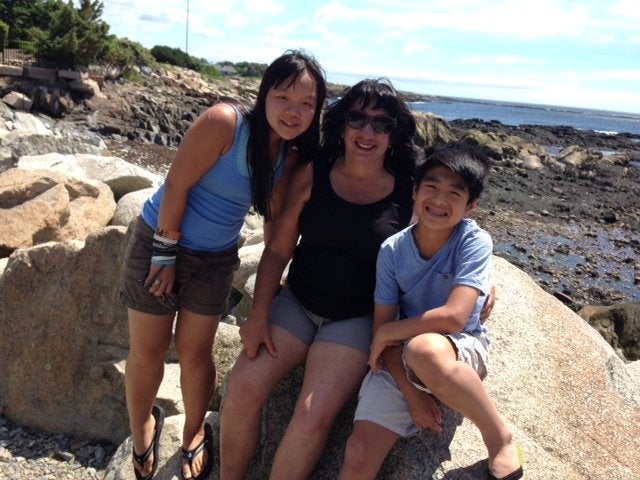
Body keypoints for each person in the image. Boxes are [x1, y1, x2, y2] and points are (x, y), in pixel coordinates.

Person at [118, 49, 326, 480]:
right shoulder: (225, 123)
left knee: (195, 352)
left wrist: (277, 269)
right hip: (160, 240)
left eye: (307, 103)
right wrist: (165, 255)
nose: (295, 111)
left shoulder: (291, 156)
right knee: (149, 349)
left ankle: (193, 432)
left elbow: (272, 216)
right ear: (265, 92)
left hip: (215, 259)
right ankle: (142, 429)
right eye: (285, 97)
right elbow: (176, 183)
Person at [219, 78, 419, 480]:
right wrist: (258, 313)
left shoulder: (409, 190)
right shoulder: (315, 171)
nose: (367, 132)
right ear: (343, 124)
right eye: (358, 118)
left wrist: (484, 281)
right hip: (298, 303)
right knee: (240, 389)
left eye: (381, 124)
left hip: (356, 319)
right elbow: (277, 249)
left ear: (394, 135)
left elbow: (453, 225)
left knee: (311, 415)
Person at [338, 144, 523, 480]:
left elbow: (453, 317)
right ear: (414, 191)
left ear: (471, 206)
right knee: (358, 452)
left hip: (459, 345)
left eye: (455, 193)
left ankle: (500, 439)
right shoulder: (393, 250)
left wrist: (389, 332)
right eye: (432, 187)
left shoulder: (473, 241)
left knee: (423, 349)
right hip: (404, 355)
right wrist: (411, 394)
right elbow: (385, 339)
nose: (440, 200)